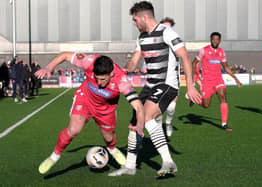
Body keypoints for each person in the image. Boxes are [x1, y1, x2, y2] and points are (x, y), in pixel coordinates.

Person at [109, 1, 201, 177]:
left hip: (167, 85)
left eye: (135, 20)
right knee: (135, 124)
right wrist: (125, 69)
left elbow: (185, 57)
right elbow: (135, 60)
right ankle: (130, 166)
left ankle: (168, 161)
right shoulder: (141, 37)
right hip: (149, 86)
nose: (134, 24)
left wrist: (190, 86)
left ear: (144, 17)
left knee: (148, 116)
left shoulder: (167, 33)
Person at [35, 52, 145, 174]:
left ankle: (112, 149)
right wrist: (49, 67)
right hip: (85, 99)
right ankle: (54, 156)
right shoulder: (89, 62)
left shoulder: (122, 81)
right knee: (74, 129)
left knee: (109, 138)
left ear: (112, 74)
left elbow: (139, 106)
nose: (99, 83)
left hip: (106, 109)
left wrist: (140, 125)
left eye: (103, 79)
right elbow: (65, 55)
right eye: (96, 78)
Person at [191, 32, 242, 131]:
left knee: (223, 97)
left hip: (218, 79)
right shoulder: (204, 51)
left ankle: (224, 124)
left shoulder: (222, 52)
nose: (215, 41)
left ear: (220, 40)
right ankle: (195, 100)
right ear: (210, 40)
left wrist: (235, 78)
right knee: (206, 105)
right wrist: (194, 76)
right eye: (213, 39)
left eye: (217, 39)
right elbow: (194, 63)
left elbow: (226, 67)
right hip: (207, 81)